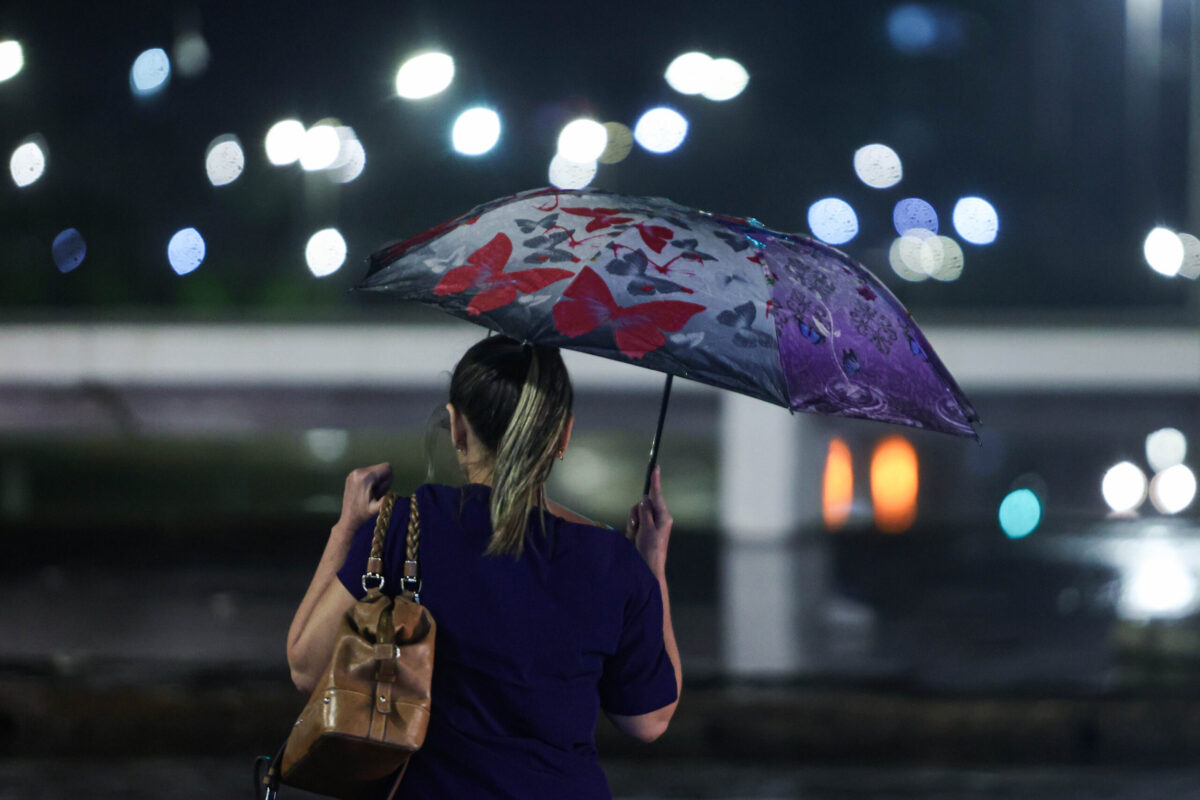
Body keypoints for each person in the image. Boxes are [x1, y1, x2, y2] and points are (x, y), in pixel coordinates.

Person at [285, 335, 681, 799]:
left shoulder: (413, 523)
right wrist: (652, 565)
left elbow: (306, 667)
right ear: (564, 435)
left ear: (456, 428)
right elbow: (649, 720)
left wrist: (347, 529)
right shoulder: (612, 563)